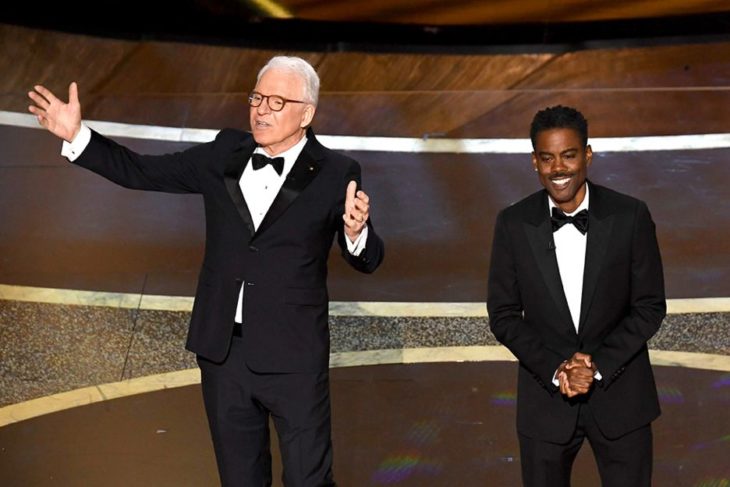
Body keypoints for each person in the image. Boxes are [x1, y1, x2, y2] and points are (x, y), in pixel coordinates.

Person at [28, 55, 384, 486]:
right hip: (222, 355)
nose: (261, 109)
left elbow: (368, 259)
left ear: (306, 113)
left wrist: (356, 231)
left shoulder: (336, 173)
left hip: (294, 360)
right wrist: (79, 137)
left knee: (309, 480)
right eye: (257, 97)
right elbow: (143, 171)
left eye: (276, 102)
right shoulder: (224, 153)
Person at [486, 105, 665, 486]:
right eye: (547, 158)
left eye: (568, 155)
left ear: (587, 154)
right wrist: (557, 369)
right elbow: (502, 315)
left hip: (622, 399)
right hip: (545, 404)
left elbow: (649, 306)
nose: (559, 168)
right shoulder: (513, 223)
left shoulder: (630, 216)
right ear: (534, 161)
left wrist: (595, 365)